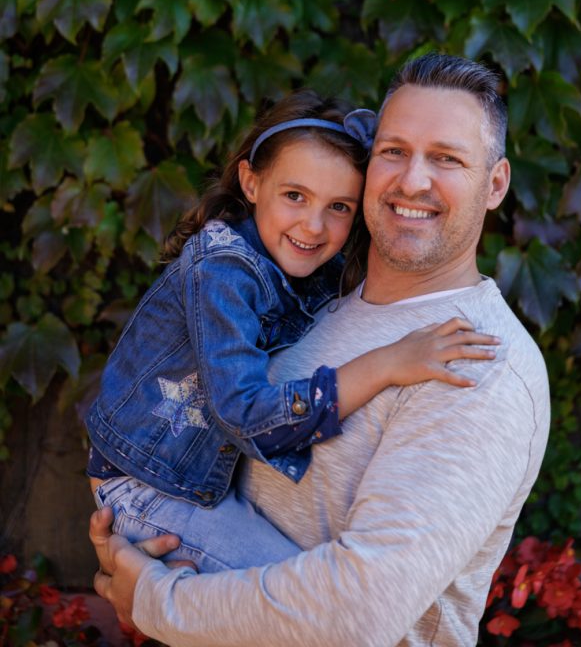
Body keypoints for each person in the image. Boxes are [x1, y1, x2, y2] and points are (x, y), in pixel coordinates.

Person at [90, 53, 551, 647]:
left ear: (496, 184)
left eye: (447, 158)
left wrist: (158, 599)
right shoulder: (314, 298)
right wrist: (141, 541)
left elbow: (360, 611)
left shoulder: (477, 363)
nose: (413, 180)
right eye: (393, 150)